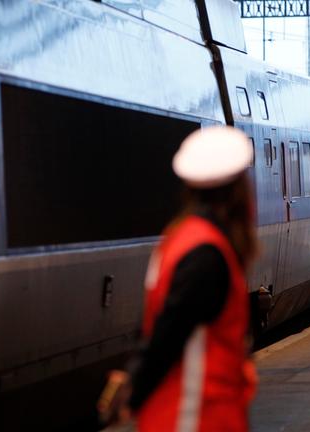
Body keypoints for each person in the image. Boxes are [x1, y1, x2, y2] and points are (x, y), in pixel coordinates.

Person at [98, 126, 258, 432]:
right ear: (238, 188)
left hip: (179, 412)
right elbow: (168, 334)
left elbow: (156, 326)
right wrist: (134, 392)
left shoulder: (180, 238)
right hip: (197, 415)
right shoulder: (206, 253)